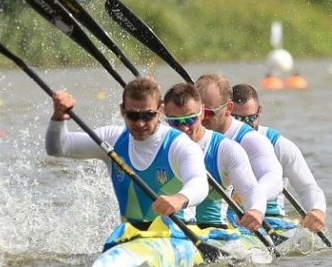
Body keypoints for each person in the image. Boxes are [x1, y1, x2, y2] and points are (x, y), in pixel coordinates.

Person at [45, 77, 210, 249]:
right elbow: (58, 148)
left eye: (148, 115)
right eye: (132, 115)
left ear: (160, 111)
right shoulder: (111, 139)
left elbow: (199, 182)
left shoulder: (179, 144)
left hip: (178, 236)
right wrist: (58, 117)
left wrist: (179, 198)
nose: (139, 123)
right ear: (122, 110)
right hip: (132, 238)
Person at [162, 83, 265, 233]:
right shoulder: (157, 143)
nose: (183, 128)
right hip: (166, 231)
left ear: (202, 113)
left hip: (214, 233)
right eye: (175, 122)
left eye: (190, 120)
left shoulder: (226, 149)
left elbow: (251, 190)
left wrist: (256, 210)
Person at [231, 83, 327, 234]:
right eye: (236, 119)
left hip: (271, 222)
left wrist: (317, 210)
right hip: (231, 220)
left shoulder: (280, 146)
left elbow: (307, 188)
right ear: (226, 113)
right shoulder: (218, 142)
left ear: (260, 111)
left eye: (250, 118)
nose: (244, 126)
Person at [195, 73, 285, 233]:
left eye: (208, 112)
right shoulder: (176, 132)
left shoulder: (248, 141)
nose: (200, 118)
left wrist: (255, 204)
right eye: (196, 112)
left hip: (217, 228)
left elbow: (274, 177)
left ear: (228, 109)